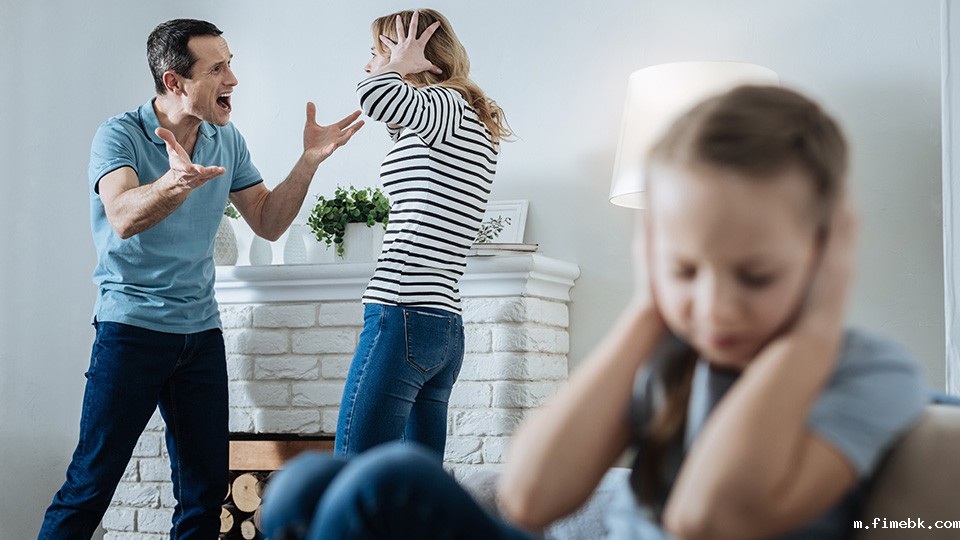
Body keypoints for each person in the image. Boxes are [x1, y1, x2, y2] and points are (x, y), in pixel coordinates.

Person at [258, 85, 927, 540]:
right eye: (686, 269)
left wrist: (813, 328)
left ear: (828, 247)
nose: (715, 304)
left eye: (755, 275)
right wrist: (648, 305)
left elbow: (707, 519)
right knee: (306, 481)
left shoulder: (866, 373)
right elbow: (529, 497)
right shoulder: (671, 355)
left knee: (392, 480)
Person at [38, 18, 362, 540]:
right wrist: (172, 184)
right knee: (89, 487)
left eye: (230, 63)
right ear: (174, 81)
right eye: (218, 68)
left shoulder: (225, 139)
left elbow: (268, 220)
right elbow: (121, 214)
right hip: (131, 331)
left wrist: (308, 161)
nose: (232, 78)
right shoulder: (120, 134)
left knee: (204, 491)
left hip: (199, 335)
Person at [334, 9, 509, 458]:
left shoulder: (446, 107)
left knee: (351, 471)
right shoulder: (462, 116)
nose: (369, 64)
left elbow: (372, 97)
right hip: (442, 324)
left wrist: (397, 65)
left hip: (402, 311)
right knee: (415, 489)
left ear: (413, 55)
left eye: (377, 53)